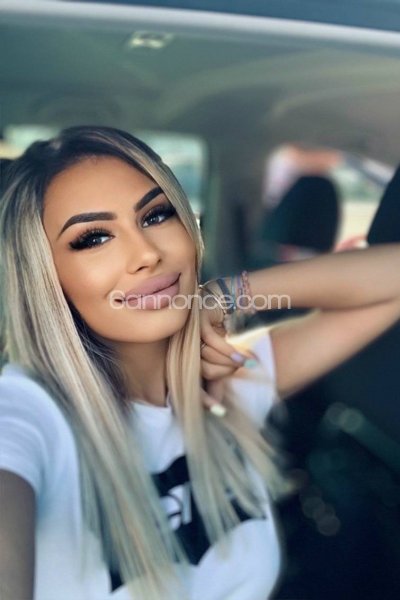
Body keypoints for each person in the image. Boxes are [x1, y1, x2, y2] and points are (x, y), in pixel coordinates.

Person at [0, 126, 399, 600]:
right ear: (45, 276)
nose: (147, 254)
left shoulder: (227, 374)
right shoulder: (26, 414)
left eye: (156, 215)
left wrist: (227, 294)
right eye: (93, 238)